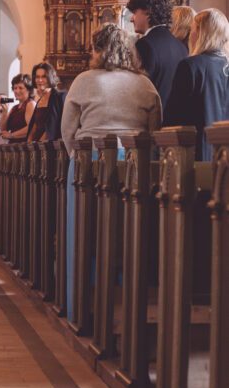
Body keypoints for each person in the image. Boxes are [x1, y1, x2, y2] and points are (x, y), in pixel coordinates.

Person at [61, 23, 162, 321]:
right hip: (133, 164)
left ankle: (80, 304)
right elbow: (156, 129)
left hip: (89, 161)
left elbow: (68, 129)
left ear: (97, 50)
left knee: (82, 232)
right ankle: (126, 303)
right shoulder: (145, 84)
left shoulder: (84, 80)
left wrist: (75, 159)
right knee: (128, 233)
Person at [165, 8, 229, 161]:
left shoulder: (191, 66)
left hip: (200, 152)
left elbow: (173, 116)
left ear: (201, 33)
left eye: (193, 29)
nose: (190, 35)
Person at [128, 0, 187, 110]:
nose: (131, 19)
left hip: (152, 119)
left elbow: (139, 89)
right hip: (172, 118)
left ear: (148, 12)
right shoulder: (180, 46)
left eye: (134, 12)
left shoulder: (145, 44)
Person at [26, 62, 64, 142]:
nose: (40, 80)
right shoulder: (39, 100)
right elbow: (35, 126)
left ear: (50, 78)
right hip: (36, 147)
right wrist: (29, 143)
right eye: (37, 77)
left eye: (44, 77)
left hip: (51, 147)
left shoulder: (59, 97)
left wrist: (40, 144)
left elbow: (59, 126)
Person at [0, 74, 36, 141]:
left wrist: (11, 135)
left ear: (29, 90)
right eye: (15, 88)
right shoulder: (14, 108)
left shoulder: (30, 104)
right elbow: (3, 130)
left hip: (24, 146)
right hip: (13, 146)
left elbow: (32, 128)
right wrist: (4, 113)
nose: (16, 91)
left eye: (20, 88)